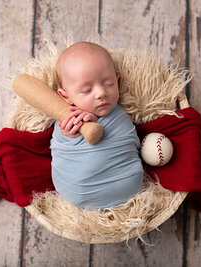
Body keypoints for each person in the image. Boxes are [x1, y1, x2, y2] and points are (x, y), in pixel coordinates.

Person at [50, 42, 144, 209]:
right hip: (76, 190)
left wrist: (96, 120)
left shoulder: (119, 116)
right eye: (87, 90)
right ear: (66, 97)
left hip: (127, 184)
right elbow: (59, 149)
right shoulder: (68, 118)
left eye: (108, 84)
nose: (101, 93)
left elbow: (131, 140)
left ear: (118, 82)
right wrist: (67, 135)